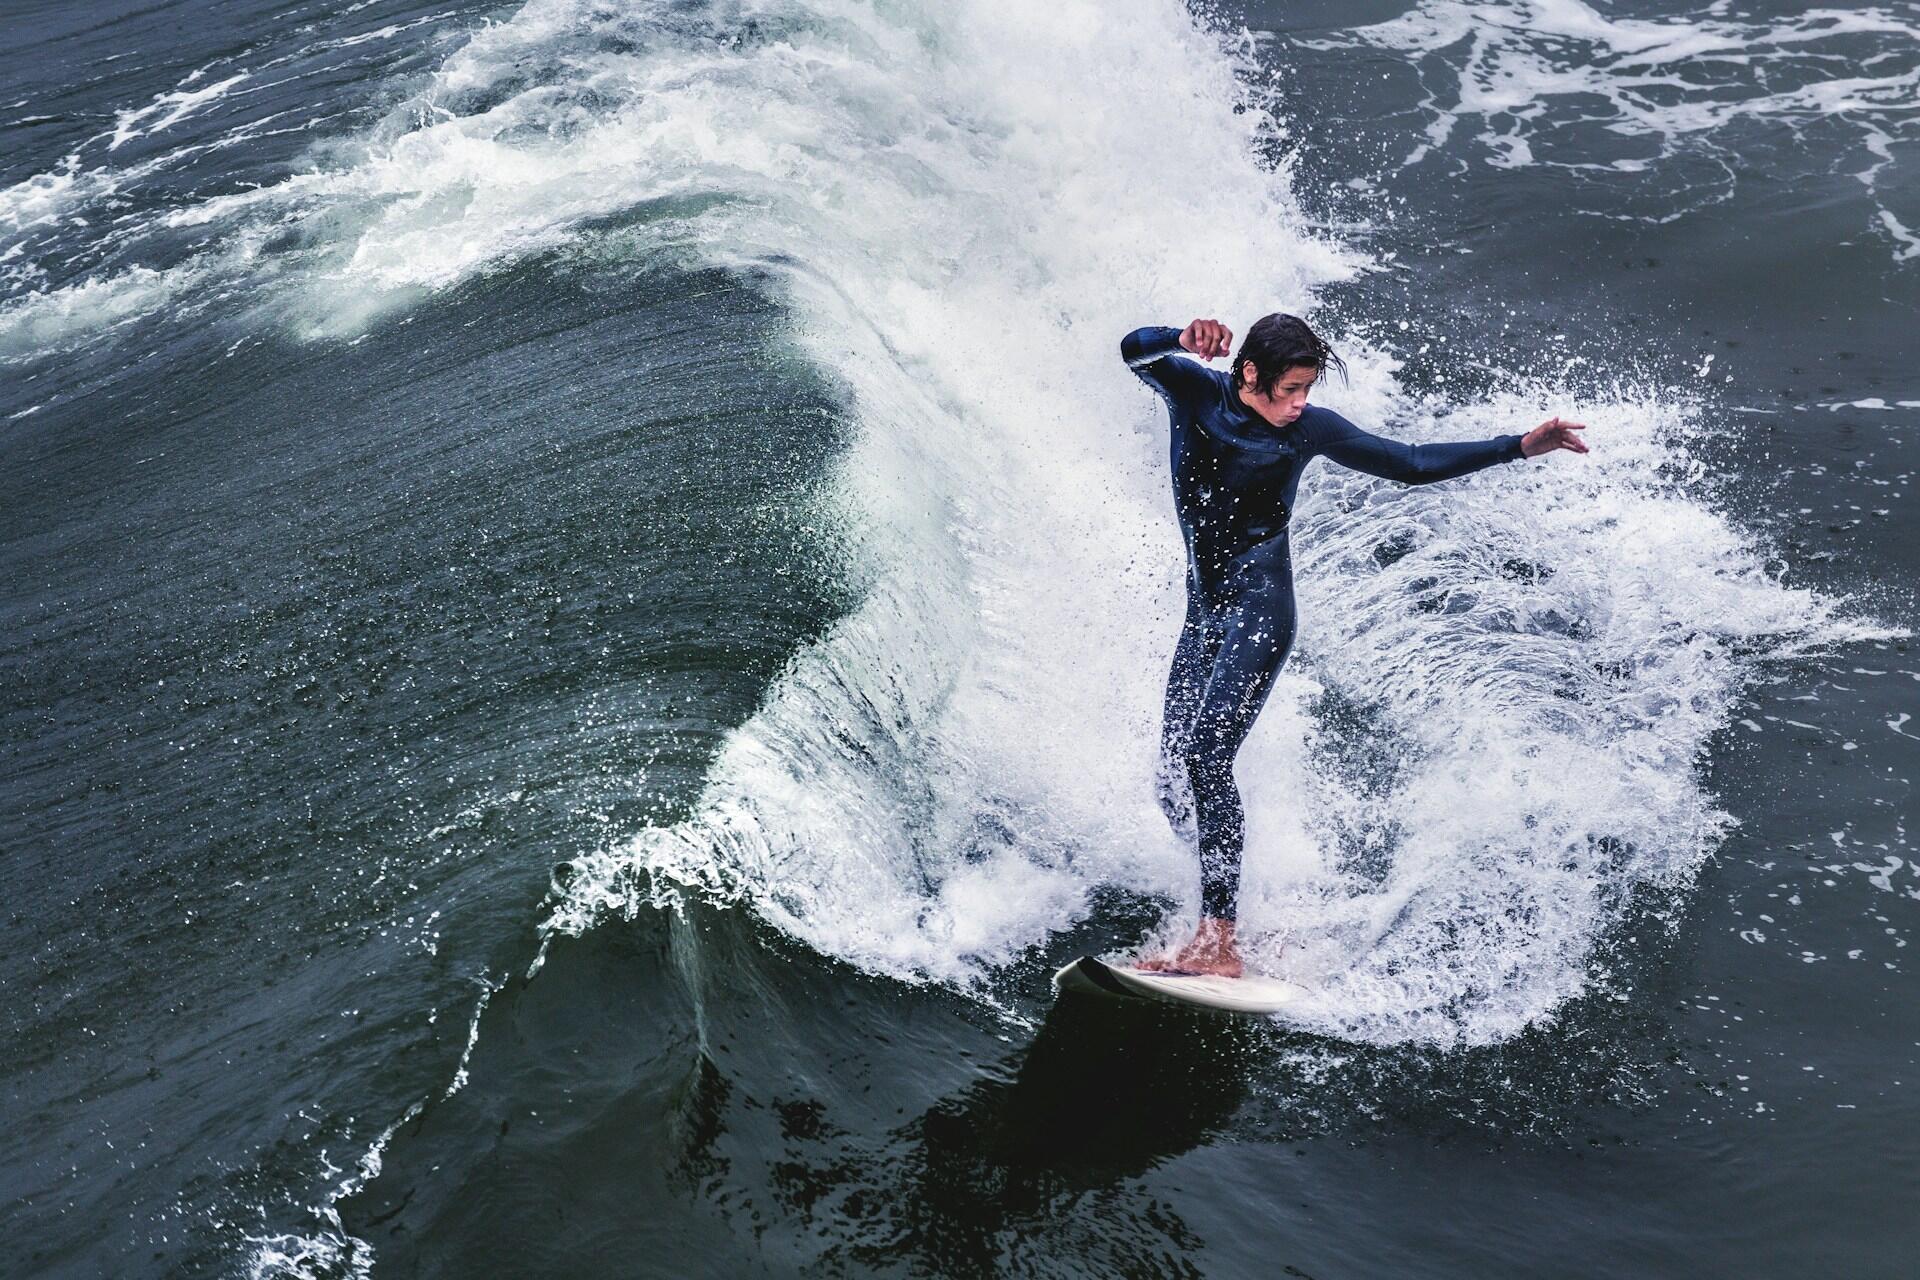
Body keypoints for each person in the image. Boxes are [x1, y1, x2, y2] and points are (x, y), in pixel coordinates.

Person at [1122, 314, 1589, 977]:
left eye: (1308, 389)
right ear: (1248, 373)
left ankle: (1219, 941)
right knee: (1173, 783)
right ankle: (1227, 907)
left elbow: (1409, 462)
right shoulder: (1192, 391)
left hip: (1261, 612)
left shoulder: (1309, 430)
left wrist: (1517, 445)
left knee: (1205, 753)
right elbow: (1133, 352)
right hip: (1204, 616)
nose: (1300, 404)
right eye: (1290, 389)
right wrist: (1179, 337)